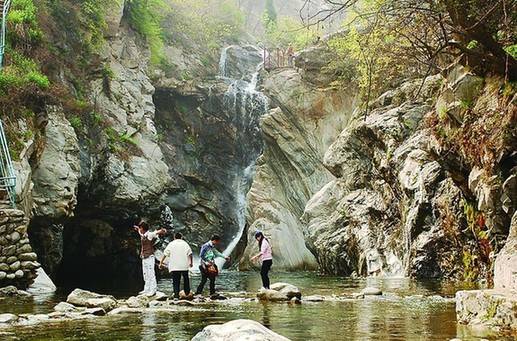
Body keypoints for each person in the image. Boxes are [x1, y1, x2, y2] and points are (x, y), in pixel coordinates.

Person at [135, 221, 166, 296]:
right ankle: (146, 289)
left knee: (151, 273)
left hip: (150, 257)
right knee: (145, 273)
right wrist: (137, 229)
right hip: (144, 257)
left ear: (143, 228)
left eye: (140, 228)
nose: (140, 229)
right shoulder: (142, 234)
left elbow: (156, 232)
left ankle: (153, 290)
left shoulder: (149, 235)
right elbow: (140, 232)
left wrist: (162, 230)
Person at [159, 232, 193, 299]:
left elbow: (165, 254)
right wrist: (191, 262)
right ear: (181, 237)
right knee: (186, 278)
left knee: (176, 281)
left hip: (175, 266)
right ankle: (187, 291)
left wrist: (161, 262)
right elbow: (190, 254)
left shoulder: (171, 244)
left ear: (174, 237)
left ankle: (176, 296)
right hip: (184, 265)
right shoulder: (185, 244)